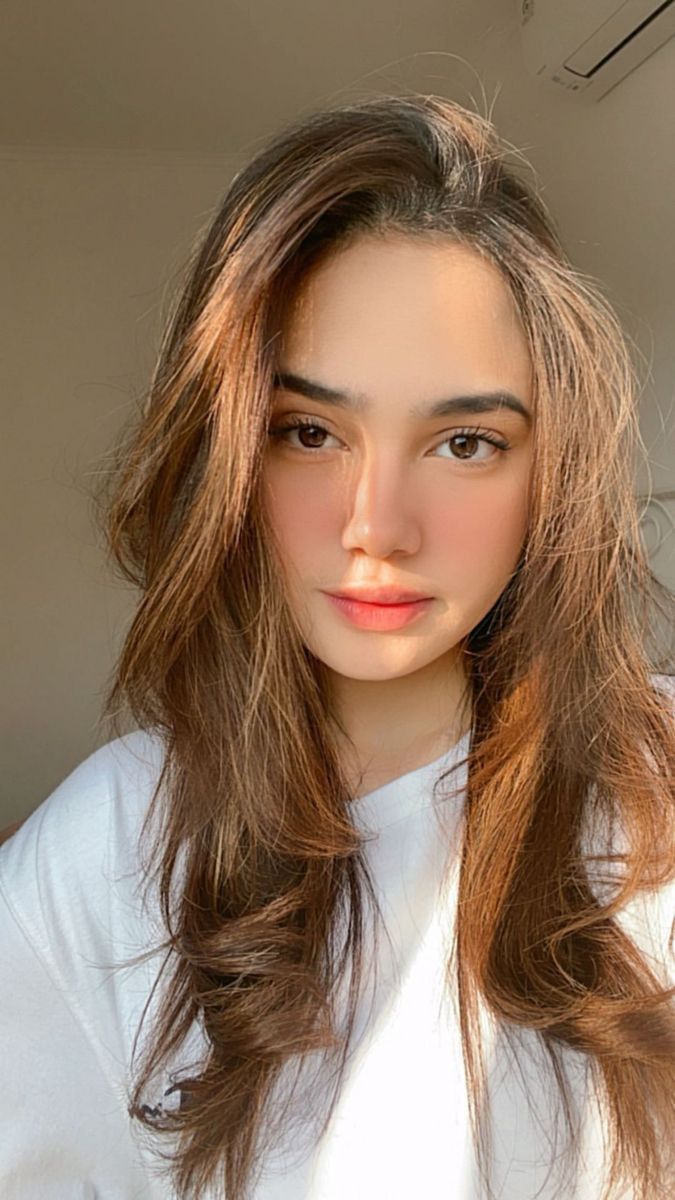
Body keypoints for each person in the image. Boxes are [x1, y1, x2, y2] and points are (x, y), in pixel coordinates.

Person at [1, 92, 674, 1200]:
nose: (377, 523)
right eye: (309, 432)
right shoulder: (106, 854)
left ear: (548, 471)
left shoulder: (653, 796)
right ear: (228, 451)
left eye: (465, 442)